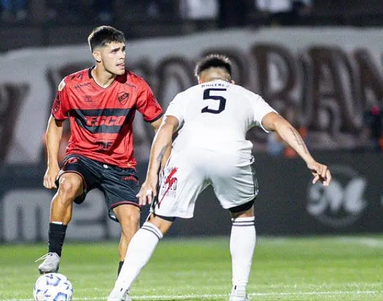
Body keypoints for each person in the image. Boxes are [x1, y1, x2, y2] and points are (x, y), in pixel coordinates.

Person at [107, 54, 332, 301]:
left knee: (156, 222)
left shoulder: (186, 96)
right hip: (231, 154)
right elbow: (281, 124)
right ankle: (239, 292)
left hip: (188, 155)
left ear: (199, 80)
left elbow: (165, 129)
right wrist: (310, 159)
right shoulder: (246, 95)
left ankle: (118, 292)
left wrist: (151, 176)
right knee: (243, 215)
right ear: (230, 80)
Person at [36, 26, 164, 286]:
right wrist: (52, 165)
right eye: (114, 51)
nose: (122, 56)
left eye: (123, 50)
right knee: (68, 184)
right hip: (83, 157)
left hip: (120, 165)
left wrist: (160, 168)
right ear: (97, 55)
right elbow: (55, 123)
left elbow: (161, 127)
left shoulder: (136, 86)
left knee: (132, 220)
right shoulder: (72, 85)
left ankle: (121, 289)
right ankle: (53, 253)